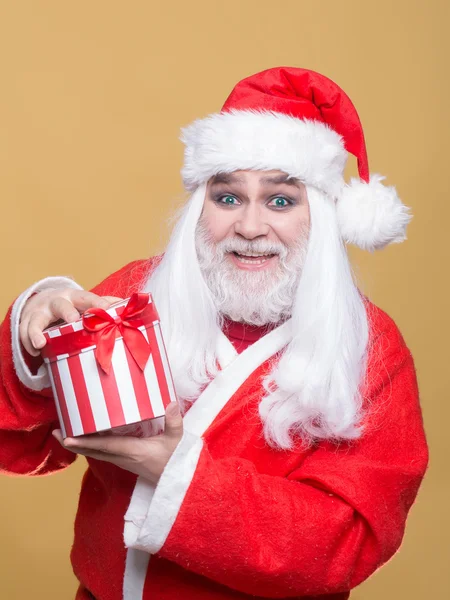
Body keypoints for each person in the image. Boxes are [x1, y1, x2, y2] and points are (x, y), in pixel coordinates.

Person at [0, 67, 428, 600]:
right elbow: (24, 445)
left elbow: (345, 544)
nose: (249, 227)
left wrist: (176, 470)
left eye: (280, 200)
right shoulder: (136, 297)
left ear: (322, 215)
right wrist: (33, 334)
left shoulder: (369, 347)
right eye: (227, 197)